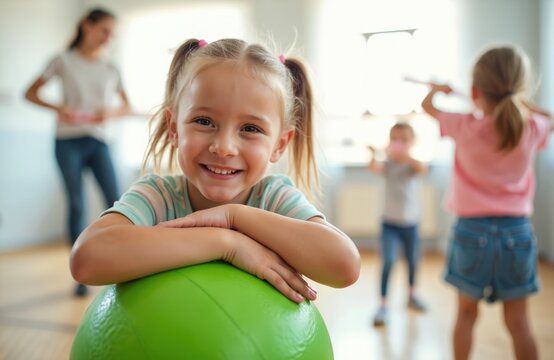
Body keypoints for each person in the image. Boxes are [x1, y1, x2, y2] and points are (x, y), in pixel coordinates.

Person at [69, 38, 361, 303]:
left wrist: (235, 217)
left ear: (279, 144)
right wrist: (226, 243)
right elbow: (87, 259)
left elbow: (344, 266)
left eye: (250, 128)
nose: (223, 147)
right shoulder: (158, 196)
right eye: (204, 121)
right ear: (174, 128)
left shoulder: (274, 199)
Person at [422, 45, 553, 360]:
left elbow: (427, 106)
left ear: (475, 90)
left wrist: (438, 90)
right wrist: (518, 100)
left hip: (471, 232)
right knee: (519, 322)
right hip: (517, 234)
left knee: (466, 316)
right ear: (520, 89)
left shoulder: (464, 124)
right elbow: (549, 117)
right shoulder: (531, 127)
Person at [24, 8, 130, 296]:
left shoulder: (112, 67)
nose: (108, 38)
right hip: (68, 141)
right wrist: (59, 108)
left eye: (112, 33)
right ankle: (81, 274)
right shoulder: (63, 60)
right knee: (77, 204)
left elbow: (126, 105)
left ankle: (124, 265)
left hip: (99, 141)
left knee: (116, 202)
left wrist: (111, 111)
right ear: (87, 25)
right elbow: (30, 92)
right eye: (104, 30)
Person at [367, 122, 427, 326]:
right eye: (395, 139)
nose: (399, 143)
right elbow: (374, 167)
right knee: (389, 261)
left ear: (411, 143)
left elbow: (421, 168)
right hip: (389, 224)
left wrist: (405, 155)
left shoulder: (412, 165)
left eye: (404, 140)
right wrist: (376, 153)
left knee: (412, 261)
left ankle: (411, 295)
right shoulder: (387, 165)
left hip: (410, 223)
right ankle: (383, 305)